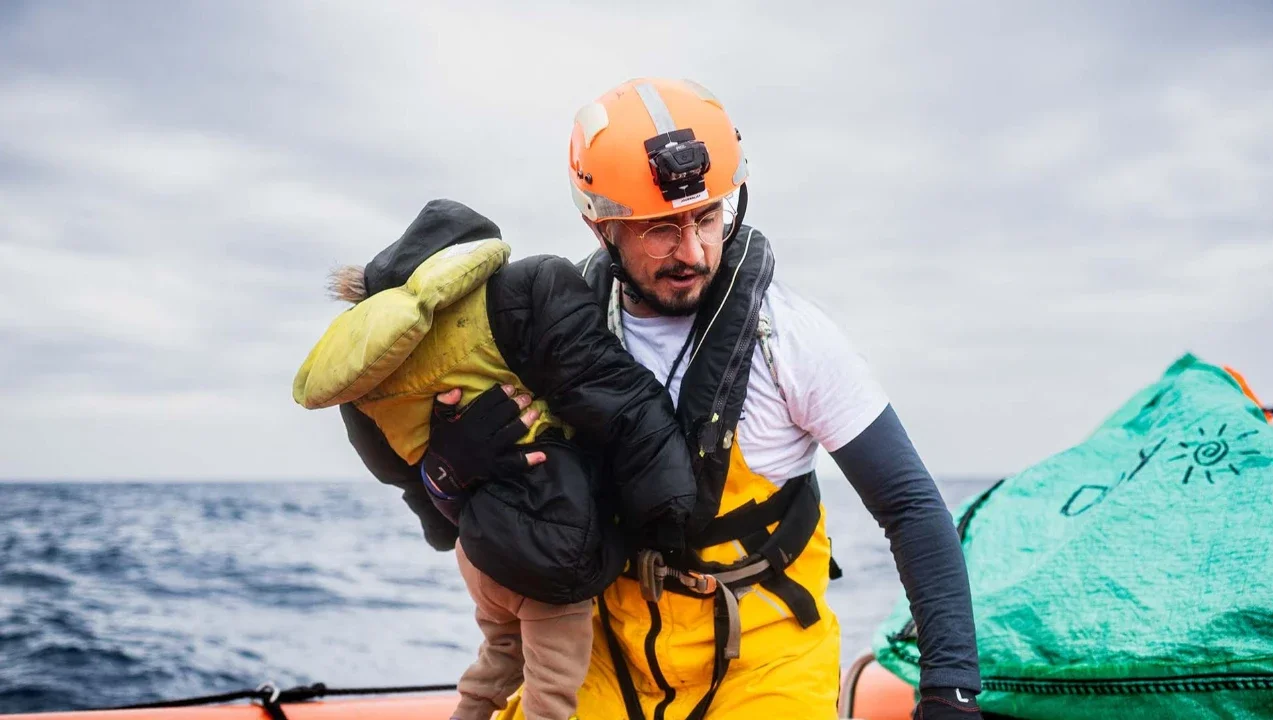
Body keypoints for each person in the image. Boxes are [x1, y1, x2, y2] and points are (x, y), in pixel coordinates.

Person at [393, 78, 987, 719]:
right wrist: (451, 470)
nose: (694, 250)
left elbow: (911, 506)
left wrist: (948, 690)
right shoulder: (551, 337)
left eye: (708, 217)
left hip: (763, 662)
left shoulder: (793, 339)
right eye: (660, 229)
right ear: (601, 225)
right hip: (604, 652)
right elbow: (457, 511)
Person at [292, 199, 699, 720]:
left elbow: (394, 470)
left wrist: (448, 508)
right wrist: (667, 513)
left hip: (477, 549)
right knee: (552, 688)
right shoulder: (526, 291)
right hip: (548, 541)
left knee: (502, 651)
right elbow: (619, 397)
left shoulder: (366, 367)